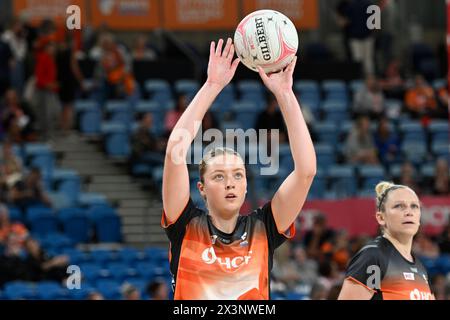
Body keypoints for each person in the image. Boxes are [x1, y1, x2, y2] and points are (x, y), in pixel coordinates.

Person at [161, 38, 316, 300]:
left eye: (237, 175)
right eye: (219, 177)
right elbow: (174, 151)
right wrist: (212, 86)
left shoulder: (264, 227)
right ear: (202, 188)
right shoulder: (185, 224)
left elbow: (306, 171)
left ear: (245, 186)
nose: (230, 183)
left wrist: (285, 94)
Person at [338, 181, 434, 300]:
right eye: (399, 206)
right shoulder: (373, 257)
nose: (409, 212)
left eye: (414, 206)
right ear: (381, 218)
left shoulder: (421, 268)